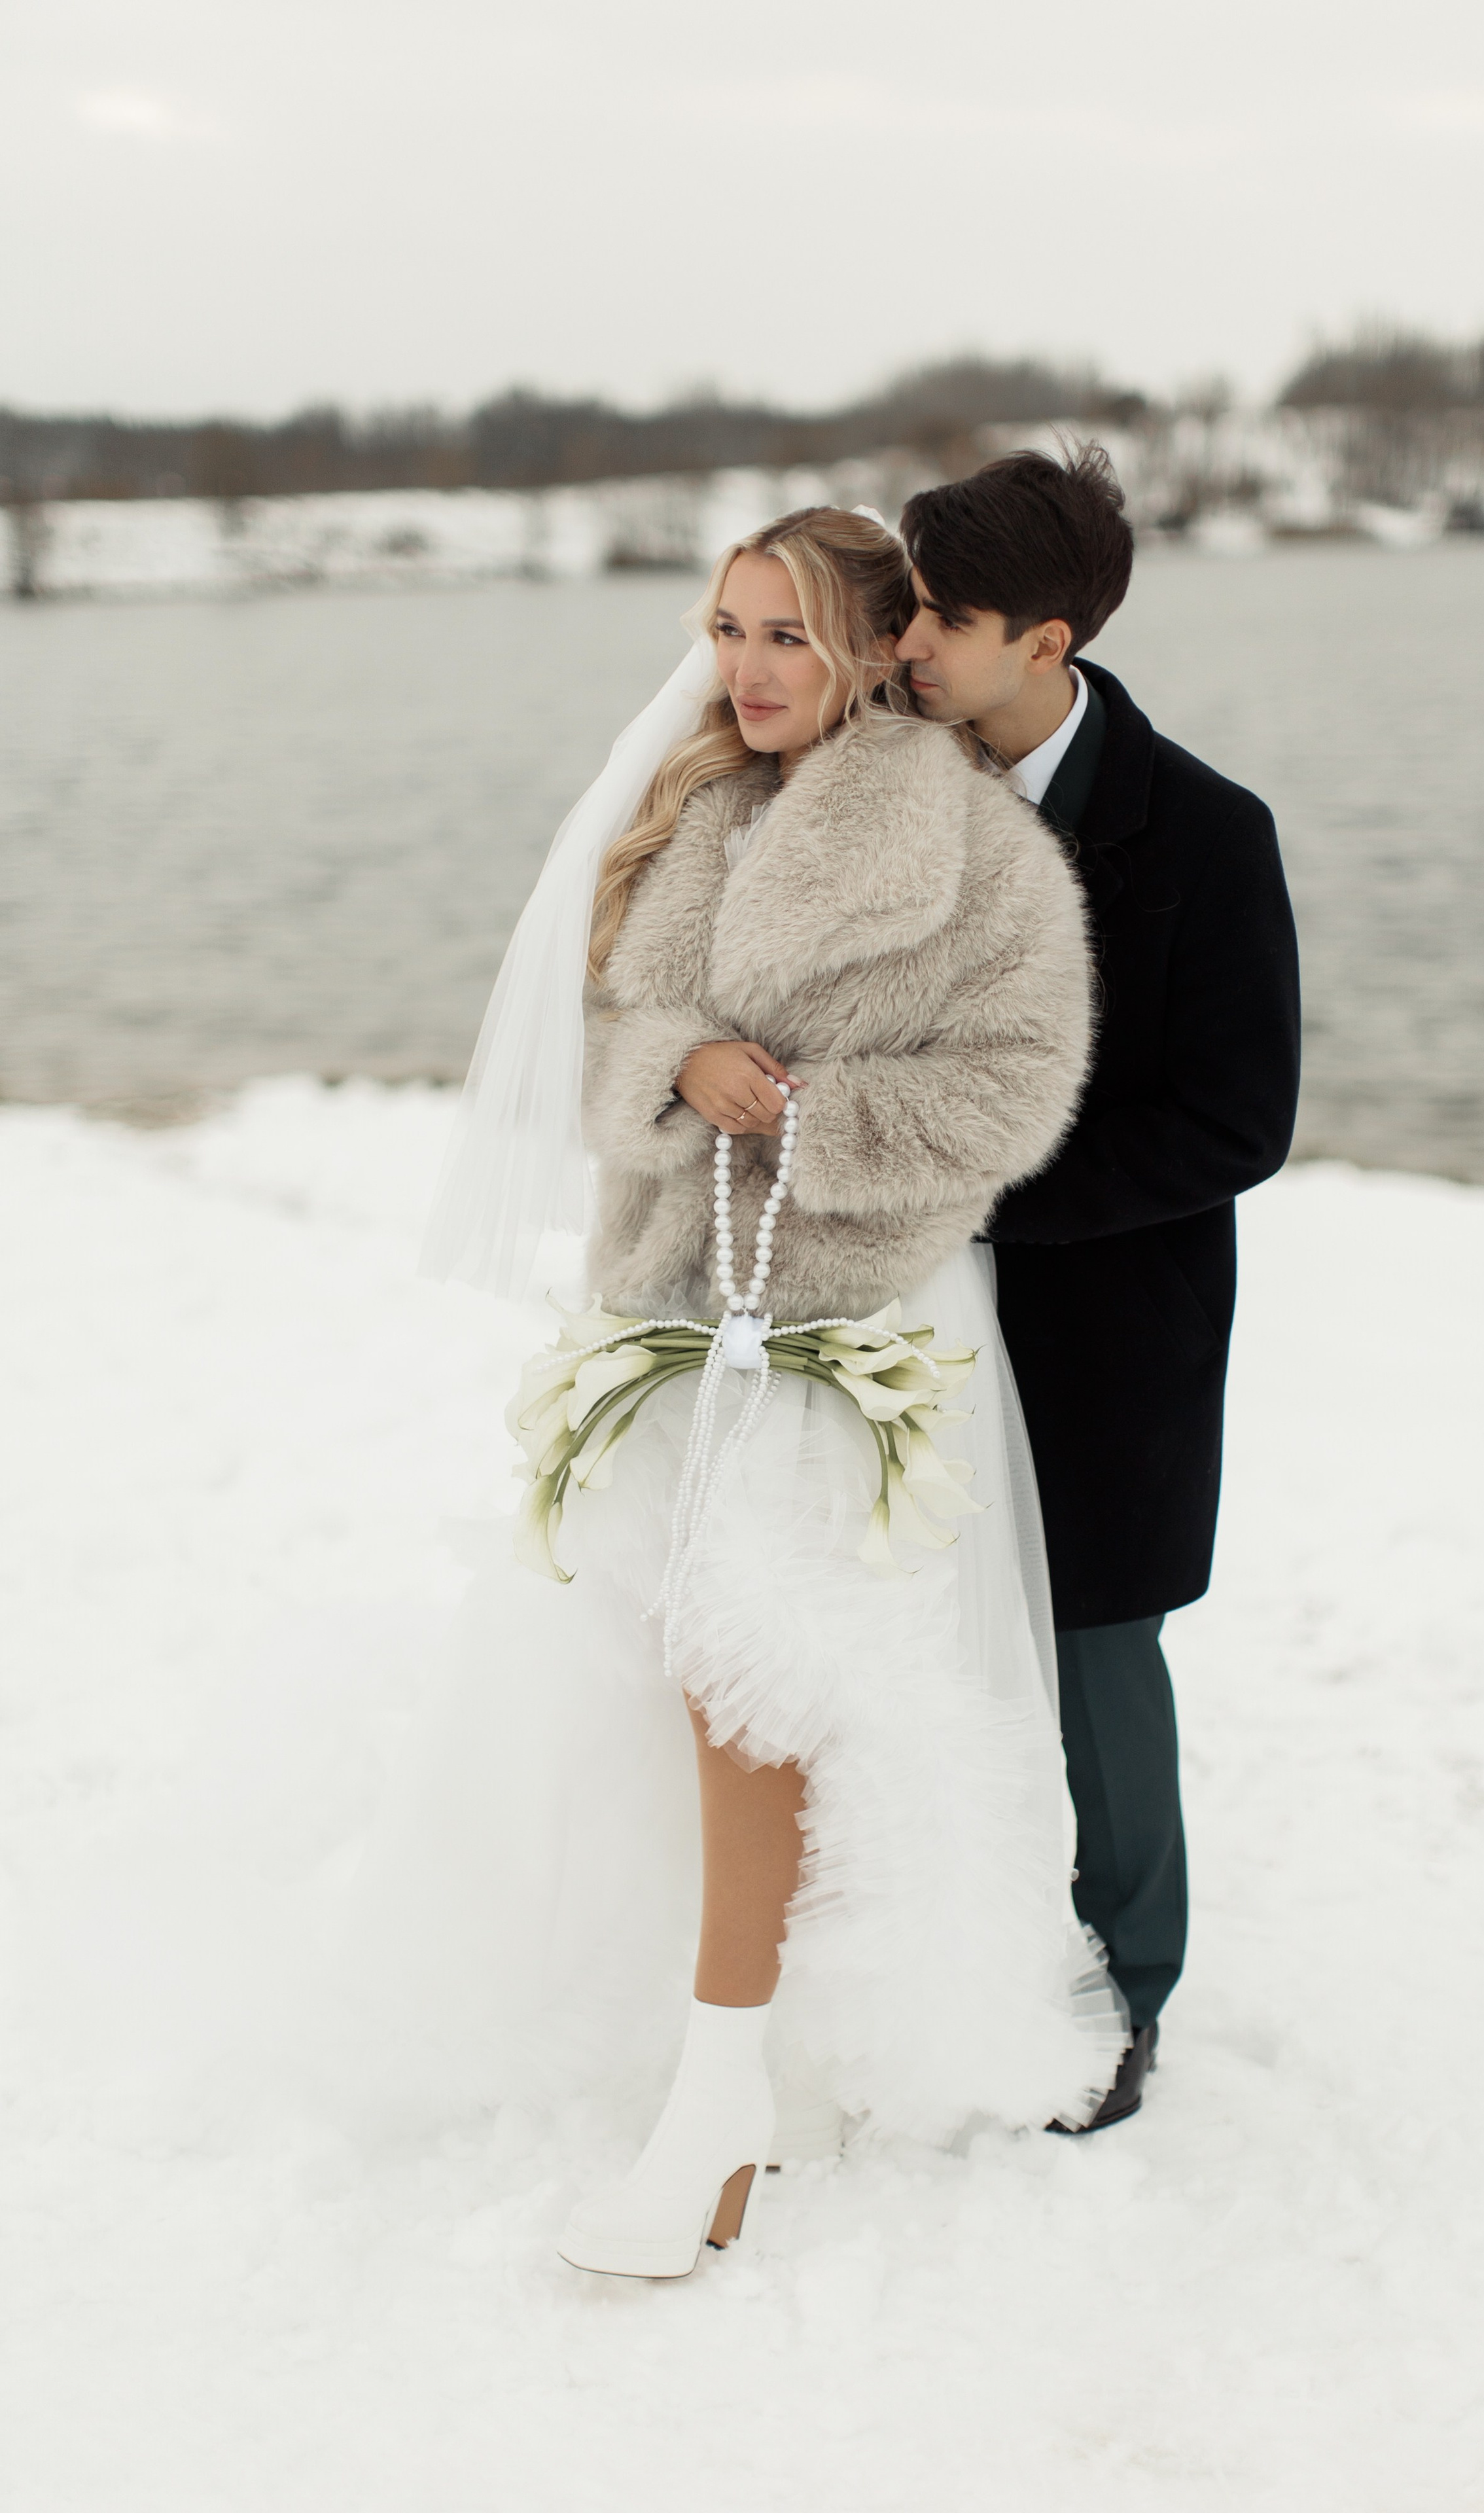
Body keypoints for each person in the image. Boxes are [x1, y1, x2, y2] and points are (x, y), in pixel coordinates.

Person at [421, 506, 1119, 2280]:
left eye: (788, 634)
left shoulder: (977, 847)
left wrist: (808, 1116)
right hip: (668, 1308)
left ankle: (721, 2097)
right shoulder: (690, 813)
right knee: (678, 1680)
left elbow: (1022, 1081)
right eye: (728, 627)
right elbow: (590, 1038)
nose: (744, 669)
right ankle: (766, 2057)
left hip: (851, 1316)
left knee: (756, 1683)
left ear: (881, 648)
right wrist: (680, 1069)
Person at [896, 446, 1302, 2127]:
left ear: (1044, 642)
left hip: (1107, 1329)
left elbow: (1235, 1120)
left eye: (943, 617)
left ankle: (1124, 1991)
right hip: (894, 1309)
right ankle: (914, 1953)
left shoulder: (1204, 831)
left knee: (1094, 1655)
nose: (906, 642)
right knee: (892, 1630)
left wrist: (974, 1190)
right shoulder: (880, 780)